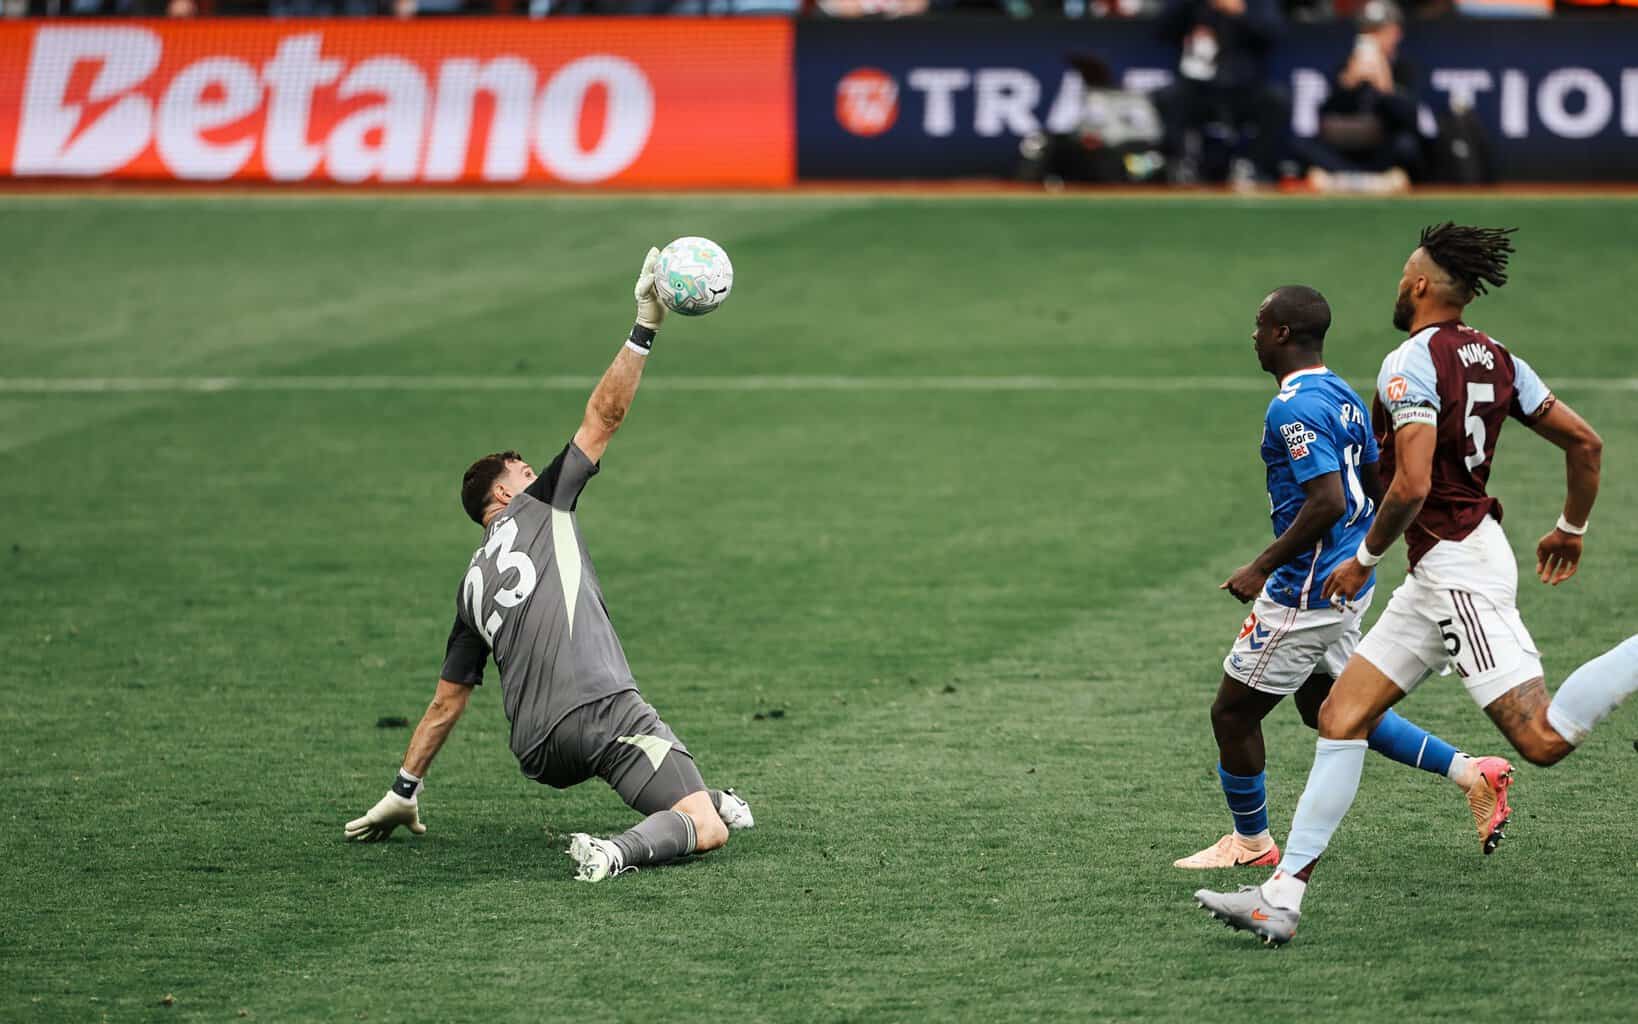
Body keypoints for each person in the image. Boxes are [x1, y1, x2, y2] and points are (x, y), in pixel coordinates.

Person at [1196, 223, 1635, 945]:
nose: (1399, 284)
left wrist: (1364, 556)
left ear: (1424, 286)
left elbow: (1410, 482)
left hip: (1457, 562)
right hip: (1441, 569)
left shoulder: (1409, 362)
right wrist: (1571, 527)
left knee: (1543, 738)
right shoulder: (1501, 358)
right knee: (1339, 716)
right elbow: (1585, 443)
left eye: (1406, 274)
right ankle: (1281, 897)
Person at [344, 247, 753, 882]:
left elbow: (447, 702)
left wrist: (404, 789)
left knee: (702, 798)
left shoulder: (470, 589)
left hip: (540, 749)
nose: (540, 477)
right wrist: (645, 326)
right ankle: (617, 851)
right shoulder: (539, 509)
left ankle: (707, 796)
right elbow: (603, 418)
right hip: (600, 711)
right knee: (704, 826)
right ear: (504, 498)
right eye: (526, 474)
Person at [1176, 285, 1506, 871]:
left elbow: (1327, 500)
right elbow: (1377, 479)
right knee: (1329, 704)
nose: (1252, 334)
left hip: (1307, 591)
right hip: (1348, 582)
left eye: (1260, 324)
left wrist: (1261, 566)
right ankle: (1471, 773)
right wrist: (1376, 552)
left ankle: (1251, 843)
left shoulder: (1293, 406)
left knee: (1232, 713)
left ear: (1281, 334)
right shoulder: (1342, 394)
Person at [1152, 0, 1289, 184]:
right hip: (1198, 86)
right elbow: (1161, 30)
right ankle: (1183, 164)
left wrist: (1240, 12)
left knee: (1277, 100)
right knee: (1168, 97)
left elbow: (1273, 33)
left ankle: (1252, 166)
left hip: (1244, 86)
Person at [1302, 1, 1425, 192]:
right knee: (1302, 144)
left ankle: (1344, 181)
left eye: (1380, 31)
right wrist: (1348, 83)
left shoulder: (1403, 68)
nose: (1373, 38)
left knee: (1406, 146)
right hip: (1349, 144)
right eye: (1368, 32)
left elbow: (1412, 119)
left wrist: (1385, 87)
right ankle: (1367, 181)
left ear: (1395, 33)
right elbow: (1325, 115)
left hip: (1382, 148)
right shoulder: (1345, 65)